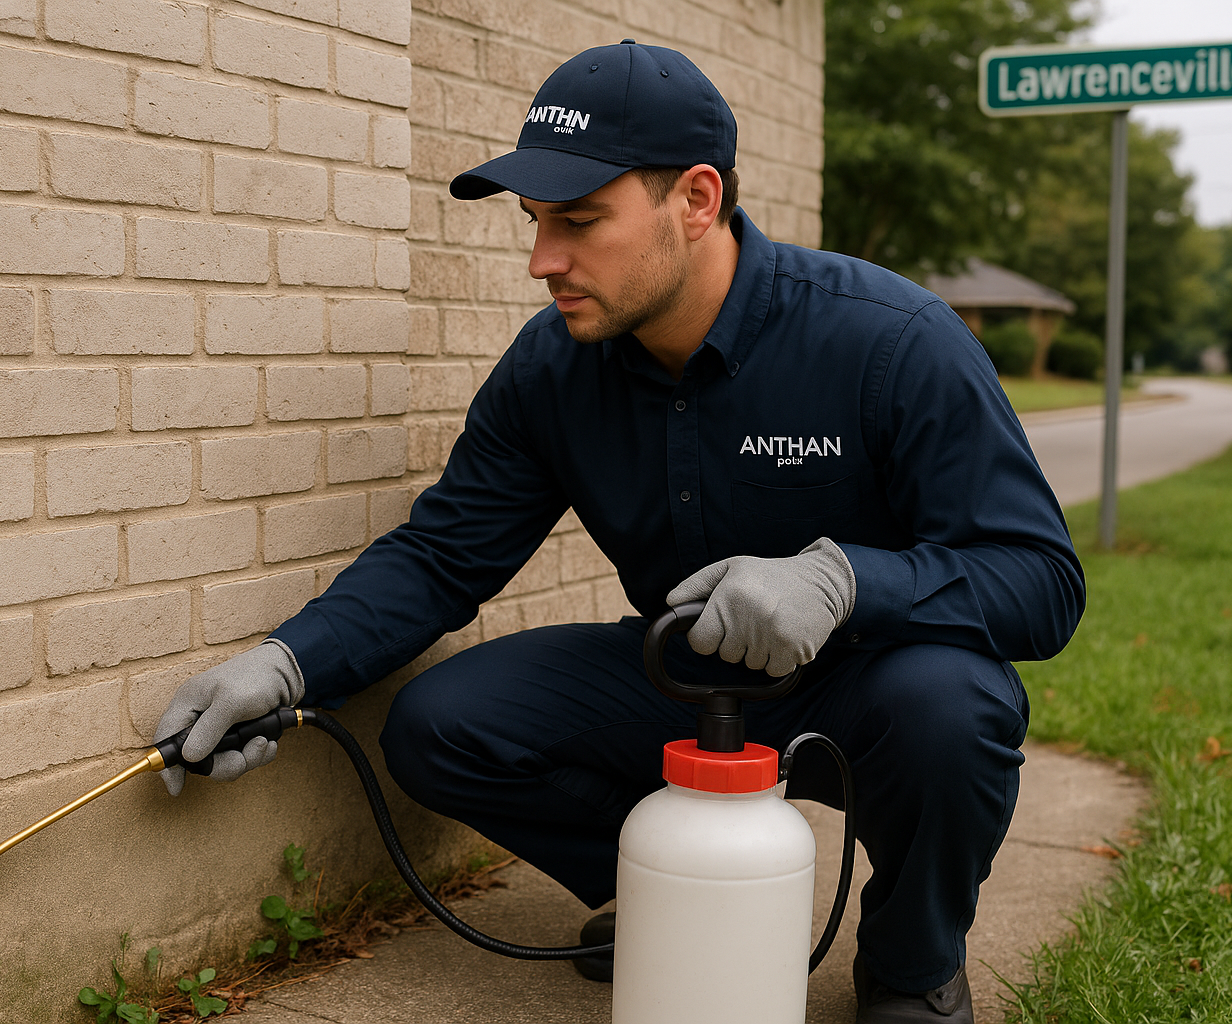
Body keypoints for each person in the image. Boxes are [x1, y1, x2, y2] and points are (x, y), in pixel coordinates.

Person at [154, 40, 1084, 1024]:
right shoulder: (552, 367)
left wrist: (846, 580)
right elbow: (443, 555)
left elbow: (1039, 581)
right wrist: (289, 664)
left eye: (580, 221)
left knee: (957, 704)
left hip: (874, 692)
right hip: (682, 677)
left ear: (695, 199)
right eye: (535, 222)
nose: (541, 260)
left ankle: (911, 963)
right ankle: (664, 895)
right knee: (440, 726)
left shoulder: (892, 340)